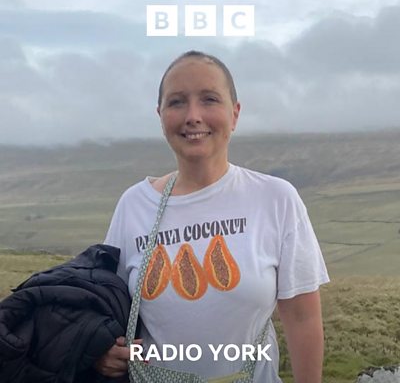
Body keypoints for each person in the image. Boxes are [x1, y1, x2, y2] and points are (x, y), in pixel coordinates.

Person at [96, 50, 330, 382]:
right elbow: (108, 312)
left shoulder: (275, 199)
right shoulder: (134, 204)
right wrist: (104, 353)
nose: (193, 116)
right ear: (160, 115)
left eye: (209, 99)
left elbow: (303, 319)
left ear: (235, 114)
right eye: (177, 102)